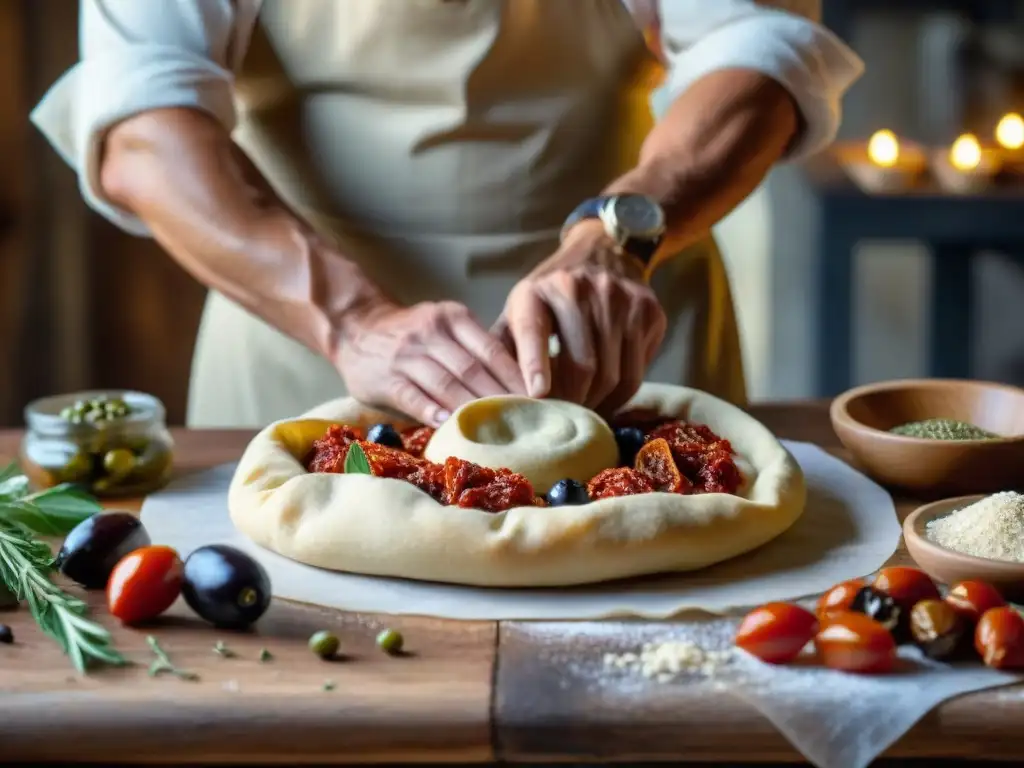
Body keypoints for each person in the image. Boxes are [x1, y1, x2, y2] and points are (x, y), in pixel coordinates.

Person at [32, 0, 862, 429]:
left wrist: (617, 239)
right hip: (300, 353)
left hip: (627, 332)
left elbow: (758, 55)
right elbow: (141, 128)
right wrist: (353, 321)